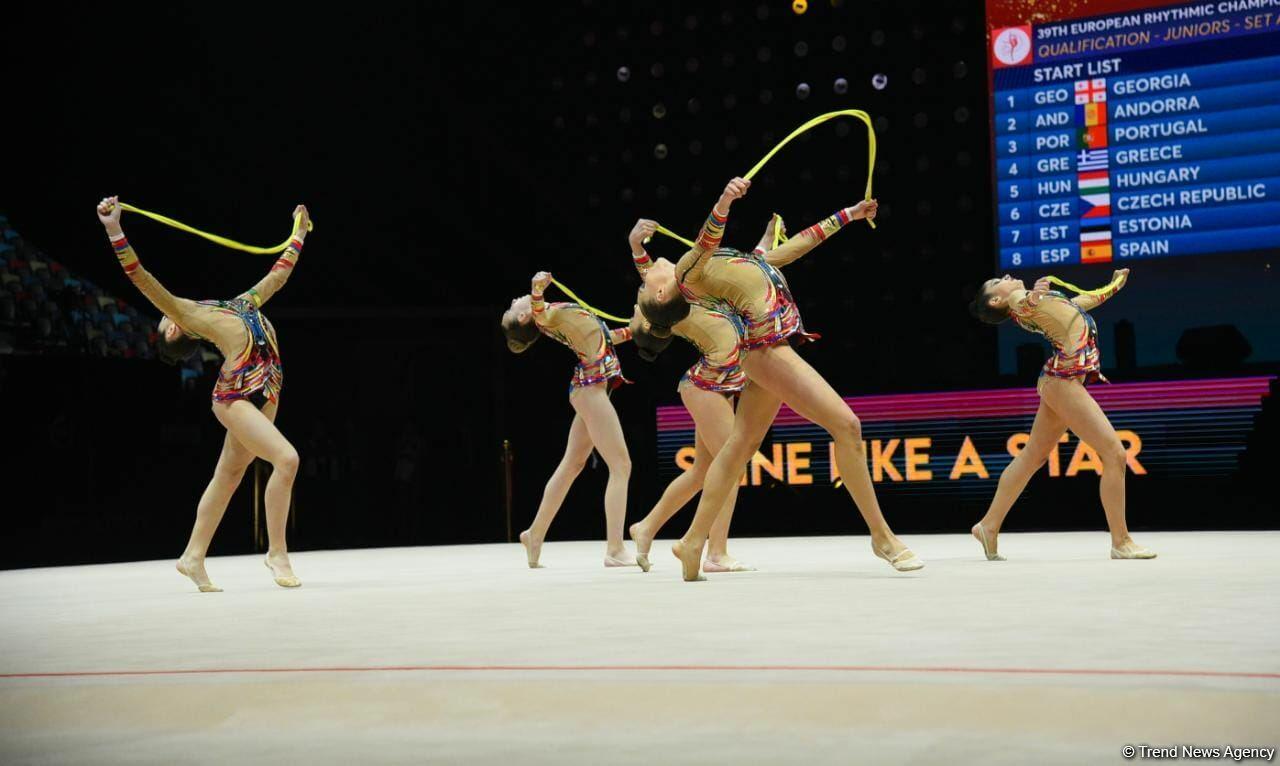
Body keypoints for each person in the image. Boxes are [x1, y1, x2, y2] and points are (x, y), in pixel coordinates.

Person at [637, 178, 922, 581]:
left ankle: (693, 541)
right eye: (644, 283)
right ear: (663, 294)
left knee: (737, 448)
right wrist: (725, 199)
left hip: (763, 351)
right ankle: (882, 537)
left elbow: (795, 246)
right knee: (847, 426)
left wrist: (848, 215)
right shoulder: (687, 272)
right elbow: (707, 237)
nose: (646, 275)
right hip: (767, 349)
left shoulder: (727, 265)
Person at [96, 195, 308, 592]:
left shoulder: (239, 305)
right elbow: (140, 277)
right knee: (287, 459)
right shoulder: (187, 314)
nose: (165, 316)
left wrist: (299, 231)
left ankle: (192, 557)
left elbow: (278, 275)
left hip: (267, 391)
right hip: (237, 395)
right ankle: (277, 553)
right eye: (164, 321)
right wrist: (114, 229)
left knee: (228, 476)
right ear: (175, 329)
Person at [625, 215, 788, 574]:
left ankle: (646, 527)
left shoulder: (690, 293)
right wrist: (636, 248)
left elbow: (751, 266)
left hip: (716, 384)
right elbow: (654, 281)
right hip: (707, 386)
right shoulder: (673, 304)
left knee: (703, 471)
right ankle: (716, 552)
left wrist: (767, 236)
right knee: (730, 465)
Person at [967, 270, 1155, 560]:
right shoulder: (1018, 299)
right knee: (1114, 453)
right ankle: (1121, 541)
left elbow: (1082, 302)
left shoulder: (1038, 302)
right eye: (996, 282)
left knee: (1032, 457)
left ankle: (988, 526)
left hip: (1058, 380)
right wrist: (1032, 296)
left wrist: (1114, 285)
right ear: (995, 301)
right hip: (1063, 382)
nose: (1005, 275)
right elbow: (1022, 304)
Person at [501, 270, 638, 568]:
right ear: (524, 316)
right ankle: (615, 549)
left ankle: (534, 534)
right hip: (591, 390)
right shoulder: (545, 316)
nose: (514, 300)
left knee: (572, 464)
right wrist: (536, 290)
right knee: (621, 465)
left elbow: (603, 338)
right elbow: (539, 312)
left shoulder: (555, 316)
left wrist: (634, 329)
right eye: (513, 307)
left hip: (589, 389)